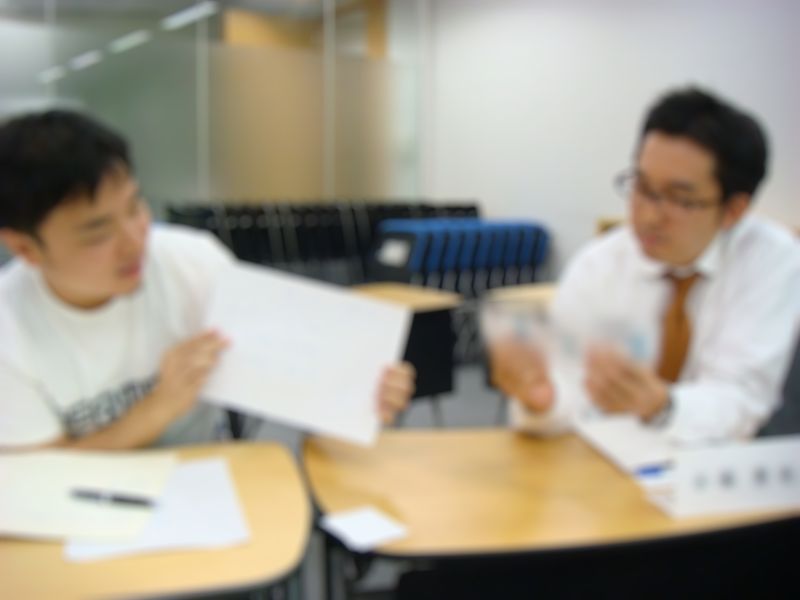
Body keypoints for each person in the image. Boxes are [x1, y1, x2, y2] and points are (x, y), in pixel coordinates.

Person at [0, 110, 415, 450]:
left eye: (135, 207)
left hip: (205, 480)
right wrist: (159, 407)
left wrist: (358, 393)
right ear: (25, 248)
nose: (135, 240)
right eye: (98, 233)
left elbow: (295, 376)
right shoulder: (10, 327)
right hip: (79, 509)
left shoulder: (193, 263)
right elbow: (37, 473)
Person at [490, 86, 800, 444]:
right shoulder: (599, 265)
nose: (649, 215)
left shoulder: (771, 260)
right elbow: (569, 389)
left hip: (720, 468)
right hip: (608, 464)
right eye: (643, 187)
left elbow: (742, 399)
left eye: (679, 199)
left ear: (733, 210)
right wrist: (543, 400)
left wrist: (661, 407)